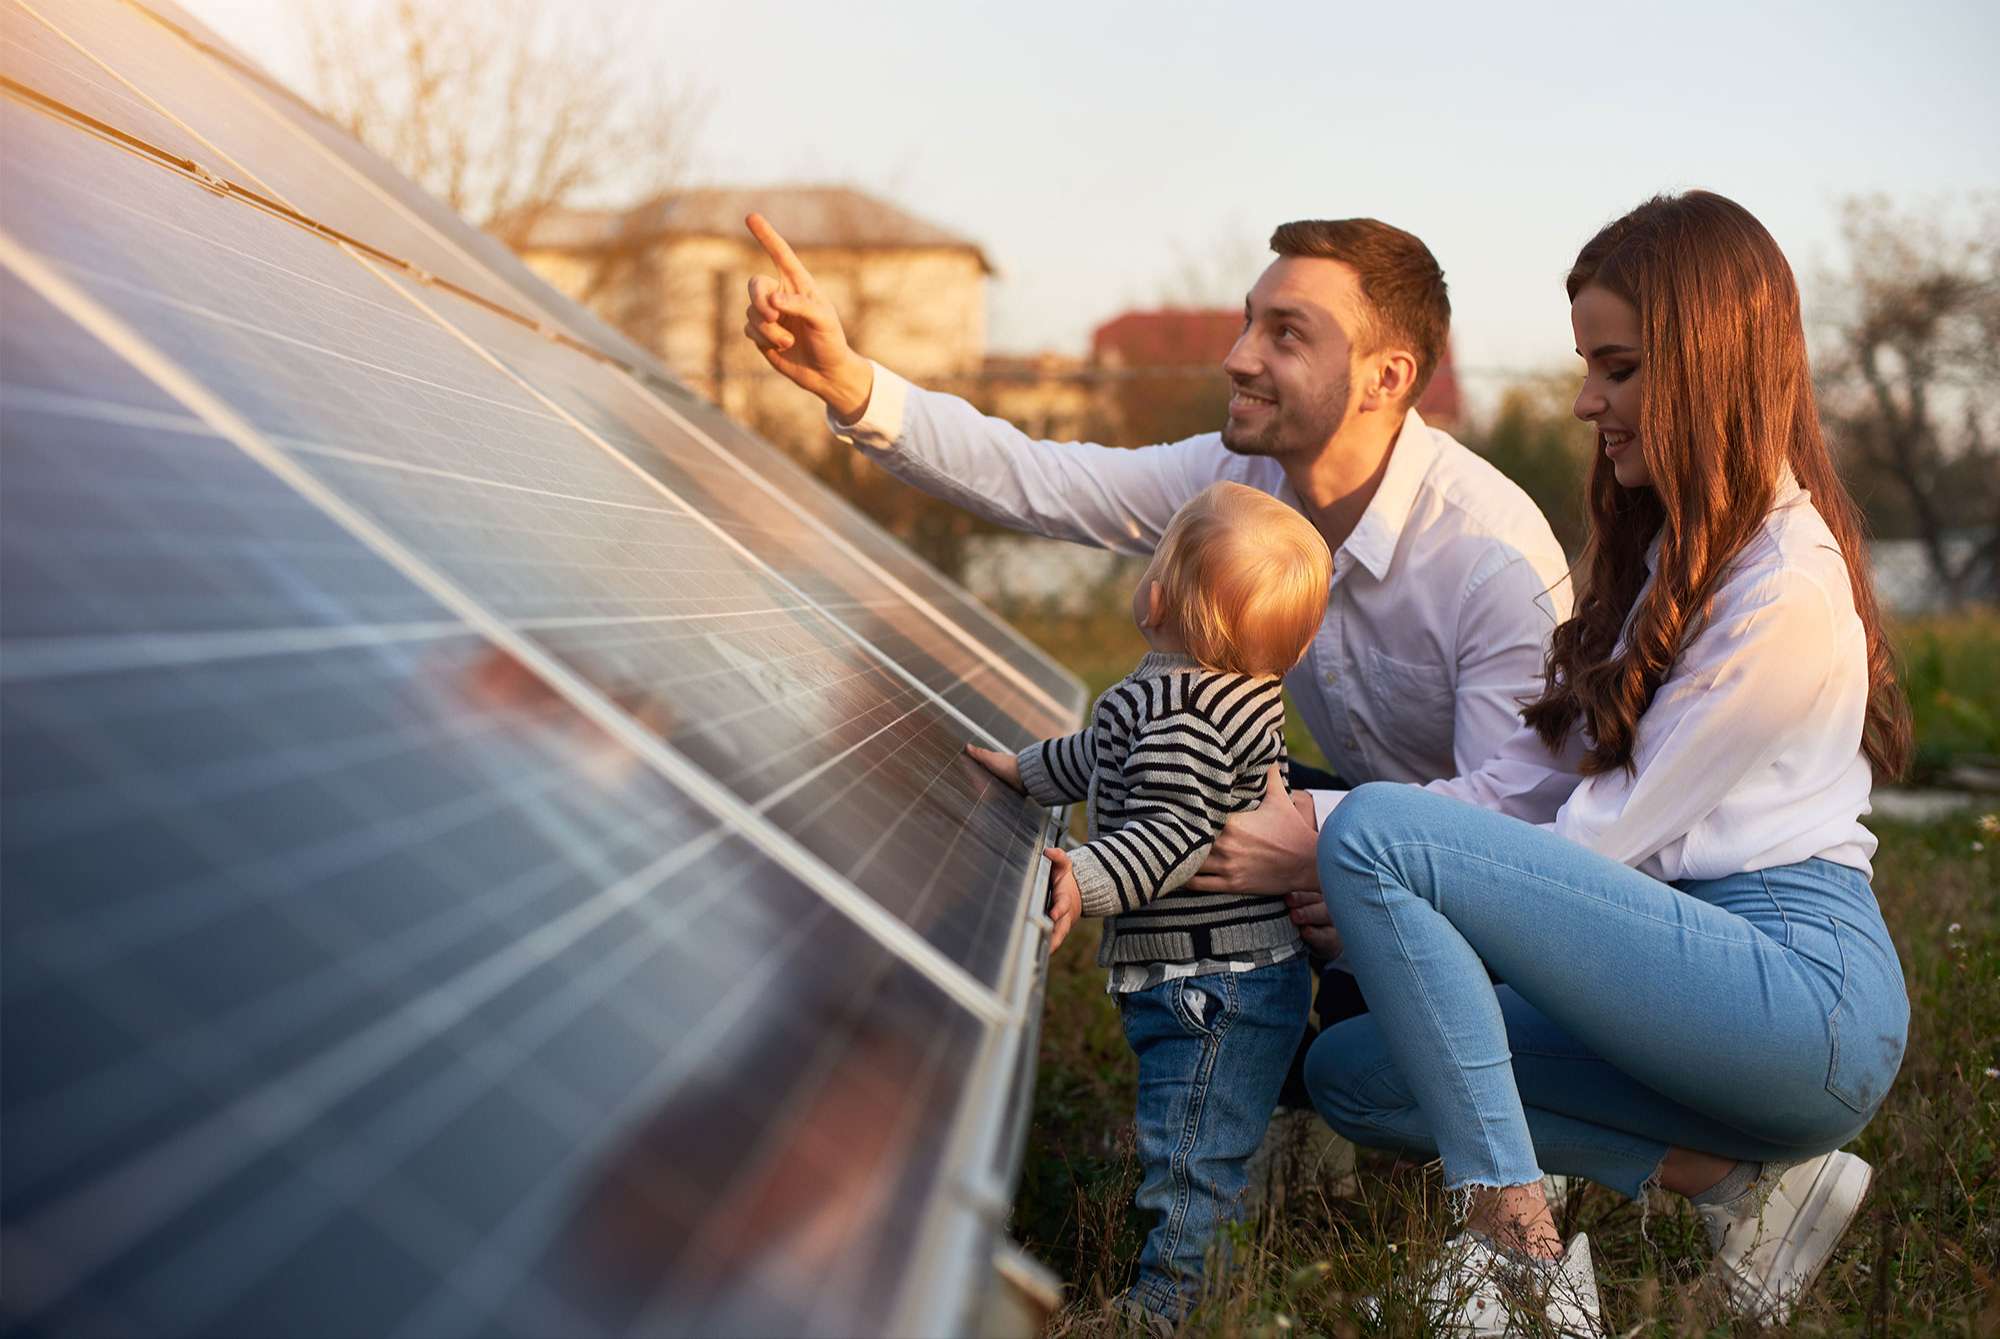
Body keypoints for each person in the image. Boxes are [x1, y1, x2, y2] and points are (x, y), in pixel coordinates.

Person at [1290, 191, 1912, 1333]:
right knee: (1360, 1073)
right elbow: (1550, 786)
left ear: (1709, 361)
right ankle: (1749, 1188)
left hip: (1794, 997)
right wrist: (1369, 874)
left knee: (1375, 831)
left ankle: (1515, 1255)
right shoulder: (1683, 551)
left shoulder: (1784, 592)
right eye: (1590, 367)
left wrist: (1365, 866)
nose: (1587, 401)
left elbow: (1605, 843)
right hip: (1681, 975)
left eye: (1616, 369)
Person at [739, 211, 1572, 1050]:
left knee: (1365, 1071)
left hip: (1491, 895)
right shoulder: (1241, 479)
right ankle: (1239, 1066)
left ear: (1385, 378)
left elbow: (1515, 817)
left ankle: (1496, 1089)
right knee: (1182, 783)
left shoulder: (1490, 557)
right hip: (1349, 838)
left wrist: (1320, 835)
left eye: (1286, 333)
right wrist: (851, 385)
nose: (1238, 355)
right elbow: (1048, 480)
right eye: (1250, 319)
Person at [965, 480, 1332, 1324]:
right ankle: (1207, 1255)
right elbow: (1101, 753)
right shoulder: (1200, 693)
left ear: (1157, 594)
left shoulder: (1182, 714)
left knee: (1192, 1150)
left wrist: (1083, 877)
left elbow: (1173, 834)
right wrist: (1025, 770)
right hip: (1227, 977)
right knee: (1197, 1131)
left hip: (1212, 986)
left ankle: (1172, 1305)